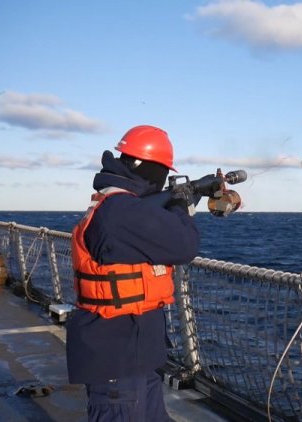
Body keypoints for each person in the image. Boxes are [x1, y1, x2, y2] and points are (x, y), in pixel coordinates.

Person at [66, 125, 204, 421]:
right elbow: (185, 244)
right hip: (118, 360)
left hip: (134, 354)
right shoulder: (121, 211)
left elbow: (152, 227)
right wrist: (181, 205)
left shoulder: (121, 206)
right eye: (163, 171)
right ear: (147, 167)